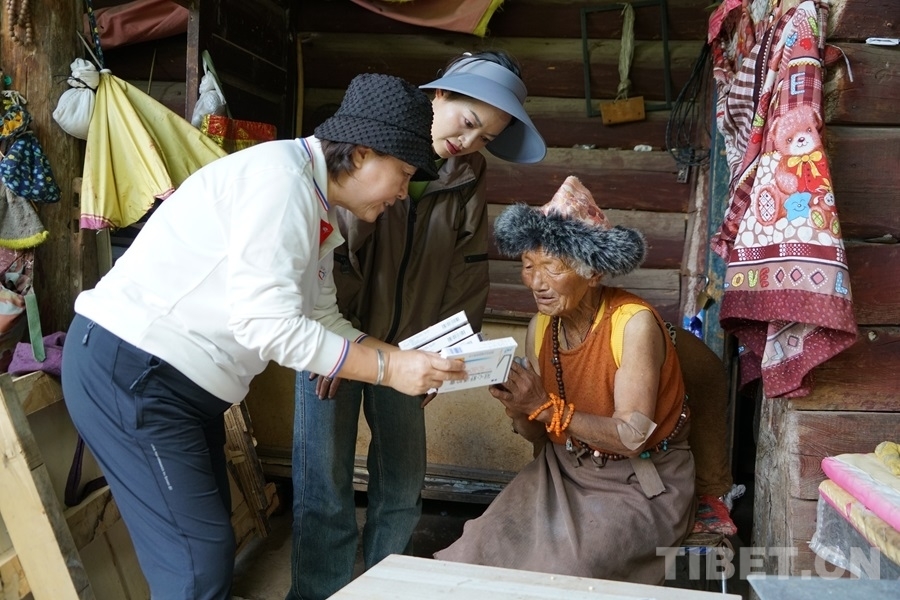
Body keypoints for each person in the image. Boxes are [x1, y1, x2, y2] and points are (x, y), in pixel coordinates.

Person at [60, 73, 468, 600]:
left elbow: (322, 319)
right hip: (136, 375)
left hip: (171, 386)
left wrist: (406, 358)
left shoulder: (313, 201)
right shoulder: (282, 183)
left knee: (206, 555)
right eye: (404, 173)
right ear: (363, 153)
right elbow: (269, 327)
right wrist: (390, 370)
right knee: (196, 567)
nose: (401, 192)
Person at [288, 50, 546, 600]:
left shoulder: (469, 174)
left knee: (403, 483)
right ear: (439, 94)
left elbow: (466, 270)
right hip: (335, 337)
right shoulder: (368, 146)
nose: (468, 142)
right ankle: (317, 593)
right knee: (323, 484)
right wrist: (331, 350)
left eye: (484, 137)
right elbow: (330, 259)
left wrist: (449, 351)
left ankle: (384, 589)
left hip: (412, 350)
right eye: (467, 122)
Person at [434, 176, 696, 585]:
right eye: (528, 266)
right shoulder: (541, 327)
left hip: (639, 481)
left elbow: (633, 437)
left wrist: (544, 407)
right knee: (473, 552)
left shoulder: (632, 324)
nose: (536, 283)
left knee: (567, 575)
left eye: (552, 268)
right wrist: (518, 407)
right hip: (562, 470)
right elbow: (538, 435)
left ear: (593, 273)